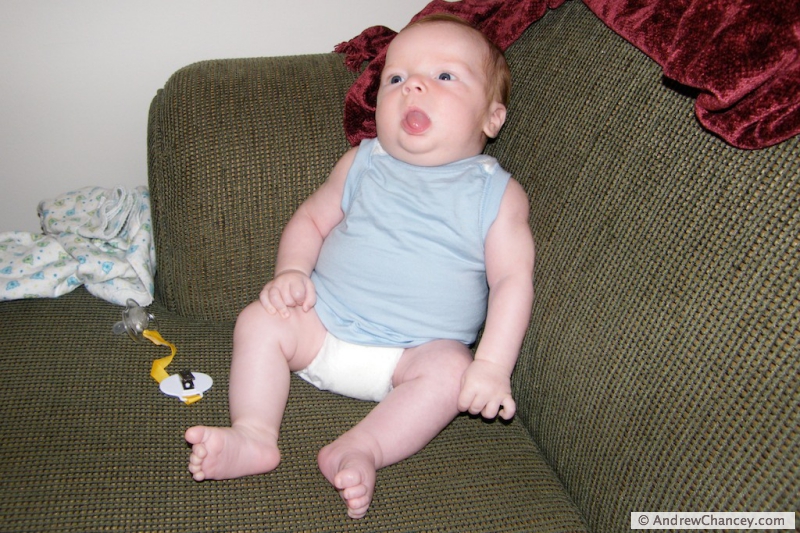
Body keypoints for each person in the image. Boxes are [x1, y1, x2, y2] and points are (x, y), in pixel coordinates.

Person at [184, 14, 535, 520]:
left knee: (451, 372)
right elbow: (311, 219)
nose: (412, 85)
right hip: (322, 326)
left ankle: (361, 448)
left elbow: (511, 280)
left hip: (414, 356)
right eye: (396, 78)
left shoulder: (496, 195)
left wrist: (493, 366)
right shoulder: (362, 163)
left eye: (444, 75)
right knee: (259, 320)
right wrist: (291, 273)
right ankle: (253, 434)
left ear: (492, 119)